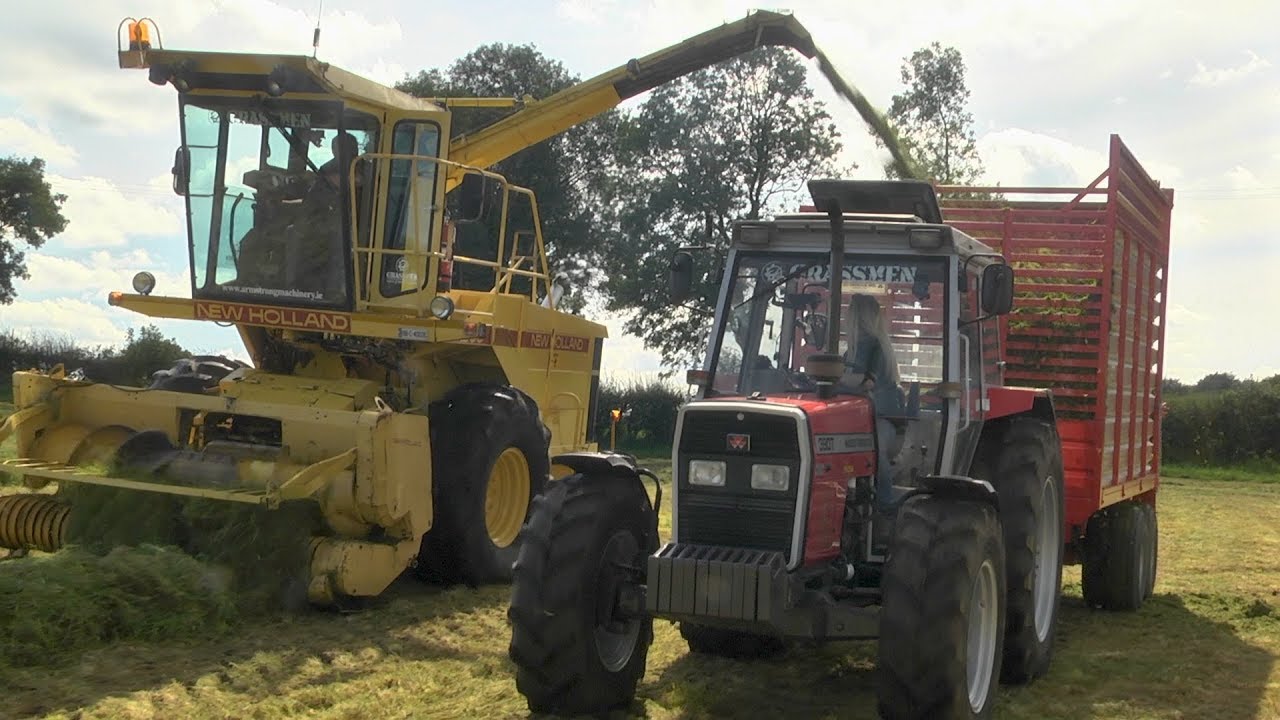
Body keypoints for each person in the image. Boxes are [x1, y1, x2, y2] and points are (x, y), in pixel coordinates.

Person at [841, 293, 906, 510]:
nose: (846, 318)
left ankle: (886, 502)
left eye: (850, 313)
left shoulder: (874, 346)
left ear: (858, 317)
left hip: (881, 419)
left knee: (872, 446)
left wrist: (831, 380)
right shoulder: (852, 350)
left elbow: (867, 382)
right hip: (859, 418)